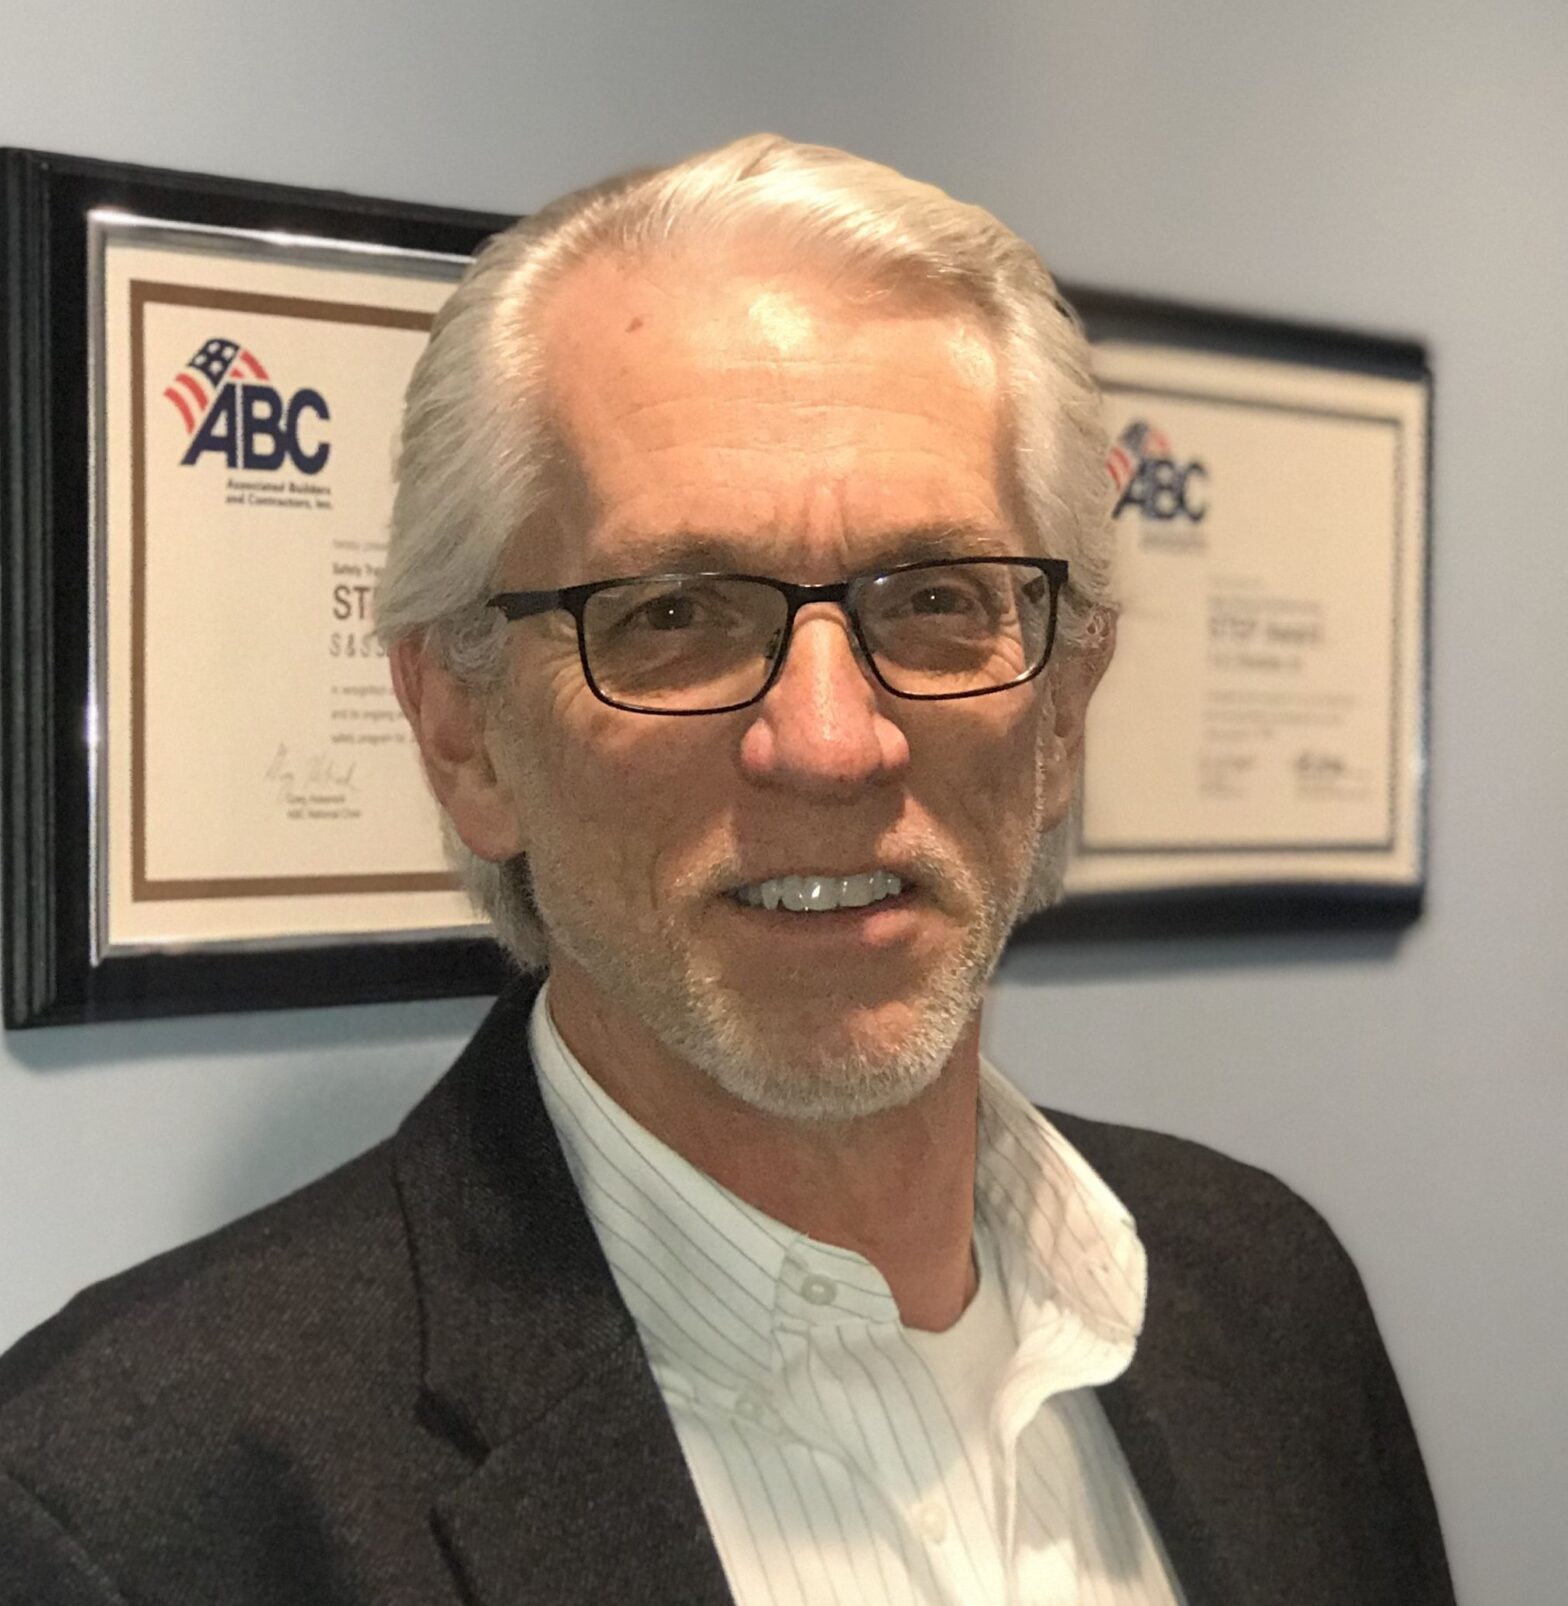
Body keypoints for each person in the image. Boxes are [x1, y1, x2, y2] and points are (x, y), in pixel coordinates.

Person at [0, 136, 1453, 1605]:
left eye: (937, 599)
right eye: (675, 614)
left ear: (1065, 707)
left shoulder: (1266, 1303)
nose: (829, 744)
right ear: (463, 730)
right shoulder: (127, 1515)